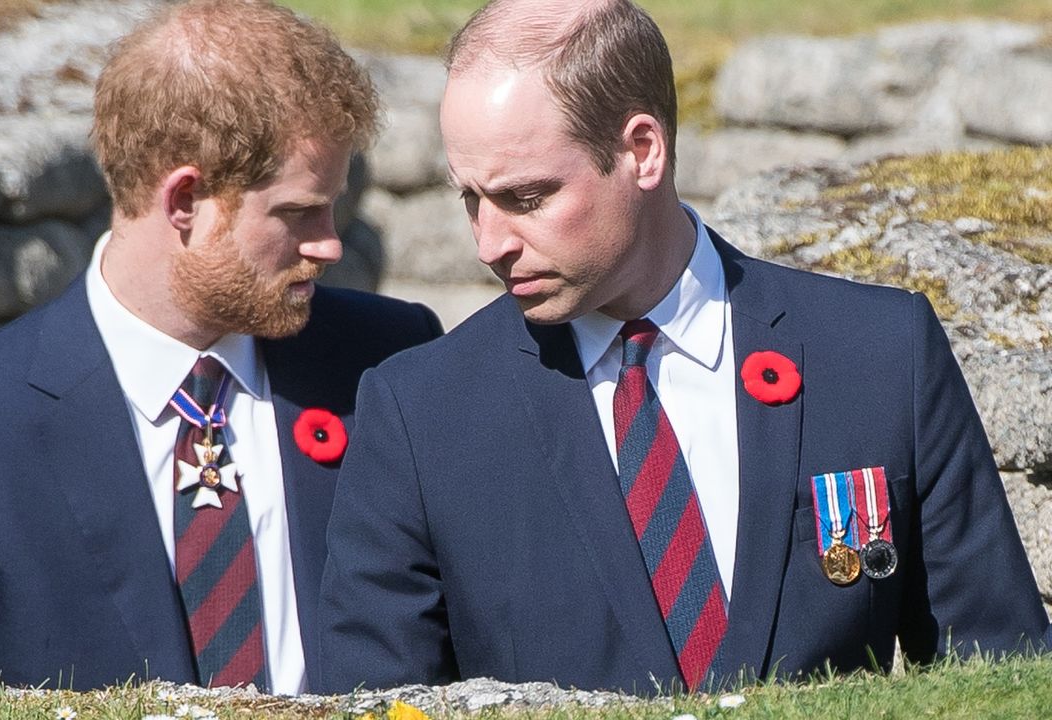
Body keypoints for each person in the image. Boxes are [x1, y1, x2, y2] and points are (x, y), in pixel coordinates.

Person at [317, 0, 1049, 696]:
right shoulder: (421, 414)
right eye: (470, 198)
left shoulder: (880, 355)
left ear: (643, 151)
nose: (489, 243)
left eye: (528, 198)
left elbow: (996, 674)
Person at [0, 0, 441, 692]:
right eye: (296, 212)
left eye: (332, 207)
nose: (330, 244)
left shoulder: (388, 360)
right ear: (184, 200)